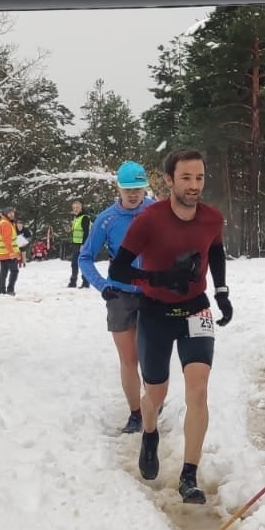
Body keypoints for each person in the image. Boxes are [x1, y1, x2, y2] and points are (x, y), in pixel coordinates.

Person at [108, 149, 233, 504]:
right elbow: (118, 270)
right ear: (169, 180)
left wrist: (221, 292)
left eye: (200, 178)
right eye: (186, 178)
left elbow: (217, 251)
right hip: (155, 312)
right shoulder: (150, 219)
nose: (194, 185)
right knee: (157, 394)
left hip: (197, 310)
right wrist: (157, 277)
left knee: (198, 390)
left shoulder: (212, 218)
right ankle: (150, 434)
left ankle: (188, 476)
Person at [79, 160, 158, 434]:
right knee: (129, 360)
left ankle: (153, 405)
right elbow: (85, 257)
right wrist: (102, 286)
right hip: (120, 296)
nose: (134, 194)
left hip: (152, 294)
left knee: (151, 358)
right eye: (128, 189)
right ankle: (136, 413)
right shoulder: (107, 219)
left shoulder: (158, 211)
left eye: (138, 188)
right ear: (119, 188)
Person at [0, 206, 23, 295]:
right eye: (10, 213)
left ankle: (2, 290)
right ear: (5, 214)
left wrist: (17, 251)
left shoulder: (7, 222)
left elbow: (12, 240)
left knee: (3, 272)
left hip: (3, 252)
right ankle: (10, 290)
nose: (12, 214)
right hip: (8, 253)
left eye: (13, 213)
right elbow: (6, 240)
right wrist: (12, 252)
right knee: (14, 271)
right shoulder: (6, 224)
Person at [68, 200, 93, 287]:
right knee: (74, 263)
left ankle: (85, 283)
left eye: (77, 207)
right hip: (75, 244)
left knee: (82, 263)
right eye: (74, 208)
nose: (75, 209)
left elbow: (86, 232)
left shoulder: (84, 218)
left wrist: (83, 244)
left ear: (81, 208)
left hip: (82, 245)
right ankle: (73, 282)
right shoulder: (76, 218)